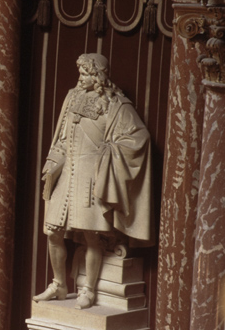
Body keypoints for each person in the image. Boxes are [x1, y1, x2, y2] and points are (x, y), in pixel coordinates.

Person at [34, 53, 151, 309]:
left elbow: (139, 137)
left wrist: (110, 153)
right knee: (52, 232)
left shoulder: (116, 104)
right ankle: (59, 284)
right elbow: (62, 137)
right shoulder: (72, 97)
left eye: (87, 73)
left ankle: (88, 290)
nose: (81, 77)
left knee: (91, 236)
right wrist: (53, 162)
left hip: (92, 176)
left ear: (99, 75)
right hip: (67, 173)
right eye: (80, 73)